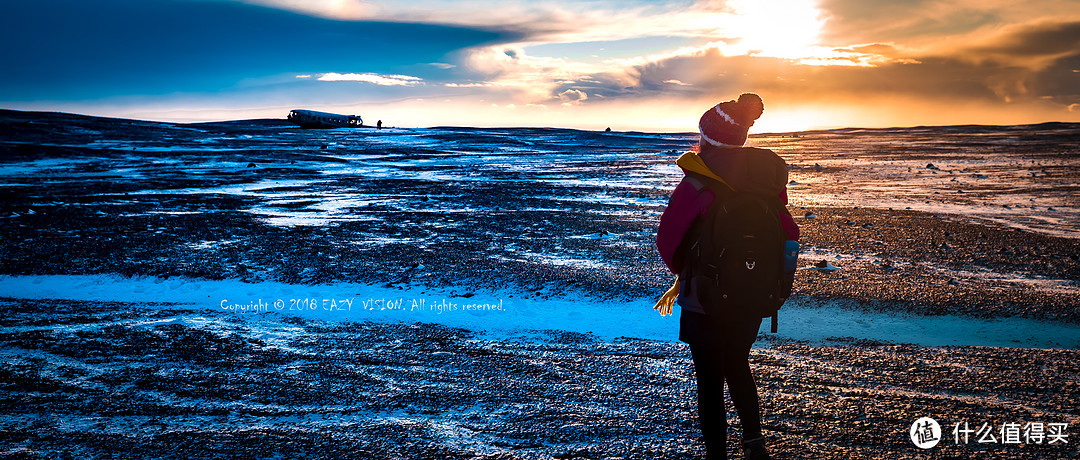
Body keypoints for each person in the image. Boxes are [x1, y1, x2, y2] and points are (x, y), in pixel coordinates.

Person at [654, 93, 800, 460]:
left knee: (709, 377)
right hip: (753, 292)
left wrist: (689, 273)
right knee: (737, 362)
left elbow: (668, 241)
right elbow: (789, 232)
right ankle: (753, 443)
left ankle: (716, 454)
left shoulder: (697, 184)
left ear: (706, 138)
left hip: (705, 296)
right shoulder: (767, 182)